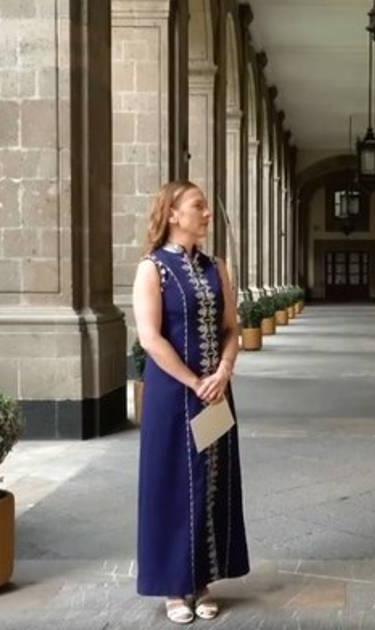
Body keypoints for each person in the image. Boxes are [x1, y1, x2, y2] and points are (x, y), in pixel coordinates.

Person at [132, 181, 249, 624]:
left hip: (215, 392)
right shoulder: (152, 269)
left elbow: (231, 328)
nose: (206, 213)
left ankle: (203, 581)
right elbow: (150, 338)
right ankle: (173, 586)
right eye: (198, 206)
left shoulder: (217, 268)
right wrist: (194, 380)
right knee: (171, 482)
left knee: (211, 480)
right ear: (172, 214)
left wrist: (223, 372)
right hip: (172, 395)